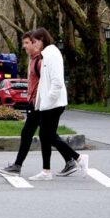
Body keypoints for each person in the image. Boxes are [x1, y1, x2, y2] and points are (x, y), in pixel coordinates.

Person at [28, 28, 89, 181]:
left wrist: (47, 101)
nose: (34, 45)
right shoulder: (47, 54)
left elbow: (57, 83)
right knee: (46, 135)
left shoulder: (52, 54)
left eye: (35, 42)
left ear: (42, 39)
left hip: (53, 104)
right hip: (50, 103)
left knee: (46, 135)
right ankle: (51, 169)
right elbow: (45, 82)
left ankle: (77, 158)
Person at [0, 32, 43, 176]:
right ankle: (73, 159)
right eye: (23, 43)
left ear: (35, 43)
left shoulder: (40, 61)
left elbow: (46, 83)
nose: (24, 46)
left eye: (27, 43)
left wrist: (37, 100)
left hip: (38, 104)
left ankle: (74, 158)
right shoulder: (33, 60)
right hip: (34, 103)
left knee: (45, 135)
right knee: (34, 134)